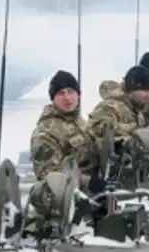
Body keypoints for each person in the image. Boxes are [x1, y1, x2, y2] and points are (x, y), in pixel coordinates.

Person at [26, 70, 100, 235]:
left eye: (71, 91)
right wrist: (88, 181)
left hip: (88, 195)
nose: (67, 98)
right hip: (64, 204)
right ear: (53, 98)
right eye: (61, 93)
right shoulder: (47, 132)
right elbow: (49, 176)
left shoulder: (78, 121)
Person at [88, 65, 149, 143]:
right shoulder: (109, 107)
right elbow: (99, 133)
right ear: (132, 89)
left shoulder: (136, 110)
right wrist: (131, 139)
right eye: (145, 91)